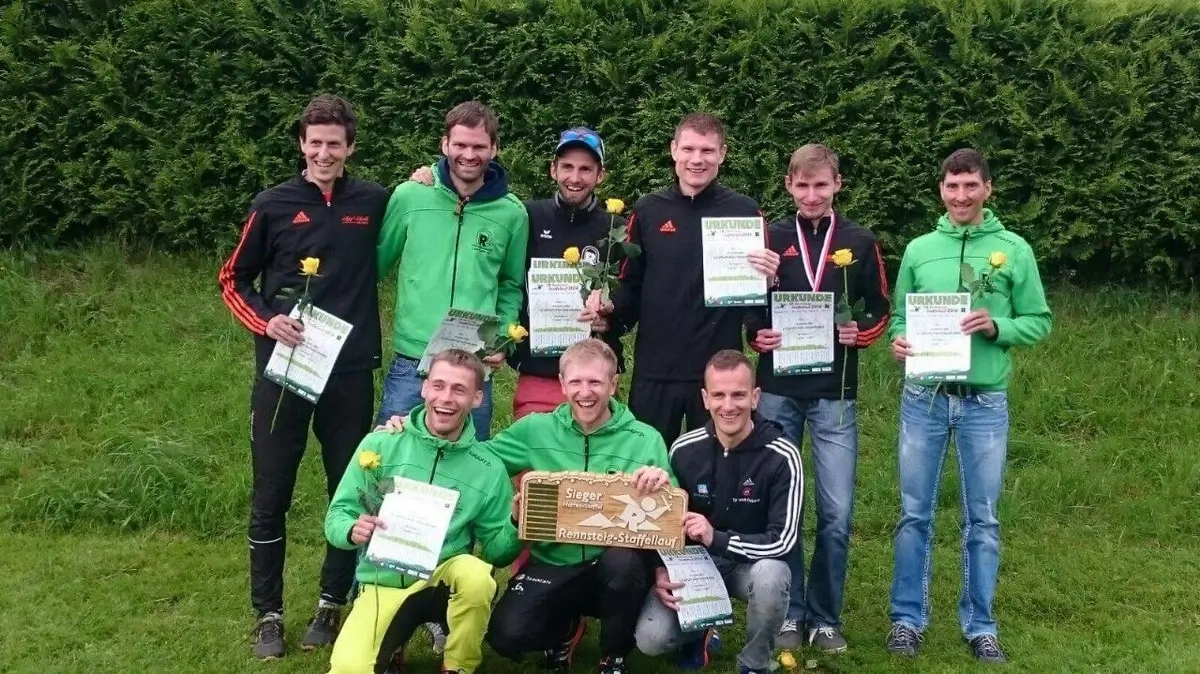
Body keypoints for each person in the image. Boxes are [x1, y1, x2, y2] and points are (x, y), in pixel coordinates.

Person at [381, 339, 674, 674]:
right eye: (576, 382)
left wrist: (660, 482)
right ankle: (563, 628)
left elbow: (671, 509)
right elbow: (476, 459)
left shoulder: (644, 438)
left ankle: (614, 656)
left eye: (595, 382)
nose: (585, 392)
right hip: (552, 560)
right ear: (562, 384)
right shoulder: (536, 428)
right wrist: (413, 432)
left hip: (613, 565)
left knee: (624, 565)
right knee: (507, 635)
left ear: (613, 384)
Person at [218, 94, 390, 660]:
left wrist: (427, 174)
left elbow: (427, 206)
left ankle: (329, 603)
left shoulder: (374, 201)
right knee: (272, 492)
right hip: (284, 372)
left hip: (349, 372)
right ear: (301, 144)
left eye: (334, 144)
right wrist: (267, 321)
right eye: (314, 142)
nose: (323, 152)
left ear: (350, 148)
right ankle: (267, 614)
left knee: (349, 489)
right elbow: (232, 278)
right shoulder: (271, 204)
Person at [884, 148, 1052, 663]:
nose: (961, 196)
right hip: (925, 399)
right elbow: (897, 321)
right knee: (915, 514)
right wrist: (899, 342)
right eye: (952, 187)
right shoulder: (919, 249)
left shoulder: (1013, 249)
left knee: (982, 518)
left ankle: (980, 624)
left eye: (971, 186)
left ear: (987, 189)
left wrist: (998, 326)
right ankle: (907, 620)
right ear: (941, 191)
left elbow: (1039, 320)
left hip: (984, 401)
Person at [744, 144, 891, 653]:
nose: (811, 195)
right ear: (788, 185)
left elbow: (881, 307)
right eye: (802, 186)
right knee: (782, 508)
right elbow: (748, 308)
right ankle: (790, 612)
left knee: (836, 510)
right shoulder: (770, 239)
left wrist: (862, 333)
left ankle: (825, 617)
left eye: (821, 185)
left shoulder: (860, 240)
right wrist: (755, 334)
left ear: (837, 185)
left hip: (835, 394)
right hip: (778, 391)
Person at [323, 349, 522, 674]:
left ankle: (457, 666)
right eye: (439, 385)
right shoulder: (381, 445)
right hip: (383, 581)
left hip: (442, 581)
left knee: (476, 577)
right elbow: (337, 516)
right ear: (425, 387)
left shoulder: (487, 468)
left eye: (459, 389)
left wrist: (515, 522)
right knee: (348, 668)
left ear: (476, 398)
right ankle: (390, 644)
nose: (446, 398)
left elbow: (498, 553)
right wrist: (351, 530)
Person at [407, 126, 627, 419]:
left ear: (600, 174)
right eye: (567, 167)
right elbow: (500, 268)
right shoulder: (527, 215)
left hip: (596, 370)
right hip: (538, 368)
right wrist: (432, 178)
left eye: (586, 169)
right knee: (534, 459)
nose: (575, 178)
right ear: (553, 170)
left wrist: (610, 313)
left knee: (594, 460)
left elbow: (631, 290)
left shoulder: (617, 229)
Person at [599, 112, 780, 446]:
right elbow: (631, 286)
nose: (697, 160)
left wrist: (767, 286)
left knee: (716, 469)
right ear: (674, 150)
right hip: (656, 369)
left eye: (708, 151)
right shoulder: (649, 210)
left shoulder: (744, 212)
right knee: (646, 468)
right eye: (689, 149)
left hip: (717, 374)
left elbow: (756, 302)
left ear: (722, 154)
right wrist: (608, 316)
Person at [634, 350, 803, 674]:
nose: (728, 406)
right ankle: (697, 633)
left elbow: (783, 541)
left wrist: (717, 538)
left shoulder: (783, 455)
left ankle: (754, 663)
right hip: (694, 568)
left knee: (773, 575)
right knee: (651, 639)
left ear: (755, 397)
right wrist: (660, 568)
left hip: (748, 567)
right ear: (705, 399)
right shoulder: (684, 448)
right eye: (719, 395)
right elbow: (664, 522)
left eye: (738, 395)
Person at [375, 100, 530, 440]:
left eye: (478, 146)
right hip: (412, 360)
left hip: (474, 363)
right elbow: (373, 264)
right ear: (444, 145)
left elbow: (510, 283)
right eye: (459, 144)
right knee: (387, 460)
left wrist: (504, 337)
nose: (468, 154)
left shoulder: (512, 214)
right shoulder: (410, 197)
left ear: (494, 148)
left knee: (466, 469)